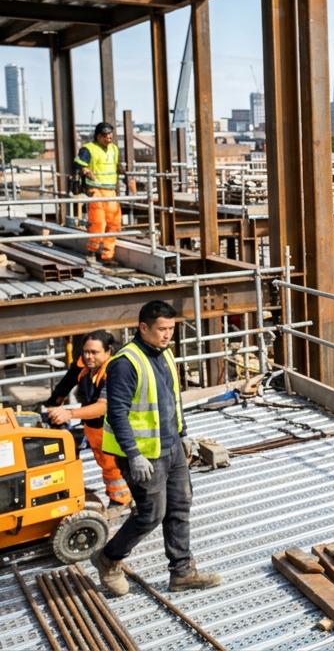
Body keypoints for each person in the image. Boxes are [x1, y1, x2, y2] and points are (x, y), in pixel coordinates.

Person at [93, 300, 221, 596]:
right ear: (143, 328)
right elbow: (117, 413)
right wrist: (134, 455)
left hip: (172, 447)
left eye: (171, 329)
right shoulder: (126, 363)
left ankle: (182, 573)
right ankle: (108, 558)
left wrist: (184, 434)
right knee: (151, 514)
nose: (167, 335)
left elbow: (173, 399)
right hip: (143, 456)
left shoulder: (165, 355)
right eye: (162, 329)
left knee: (179, 506)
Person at [46, 330, 132, 512]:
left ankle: (123, 500)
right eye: (86, 352)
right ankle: (119, 496)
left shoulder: (114, 371)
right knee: (106, 465)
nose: (88, 356)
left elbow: (103, 406)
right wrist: (53, 404)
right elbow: (66, 382)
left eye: (94, 352)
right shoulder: (84, 366)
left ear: (108, 351)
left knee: (116, 466)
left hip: (112, 429)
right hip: (93, 428)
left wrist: (69, 414)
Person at [74, 122, 123, 263]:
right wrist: (86, 170)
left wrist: (120, 169)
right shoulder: (88, 149)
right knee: (98, 222)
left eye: (110, 135)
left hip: (110, 190)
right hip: (95, 189)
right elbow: (79, 163)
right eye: (105, 135)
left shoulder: (114, 149)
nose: (109, 138)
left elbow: (114, 164)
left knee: (114, 223)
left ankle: (108, 255)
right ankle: (91, 252)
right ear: (98, 136)